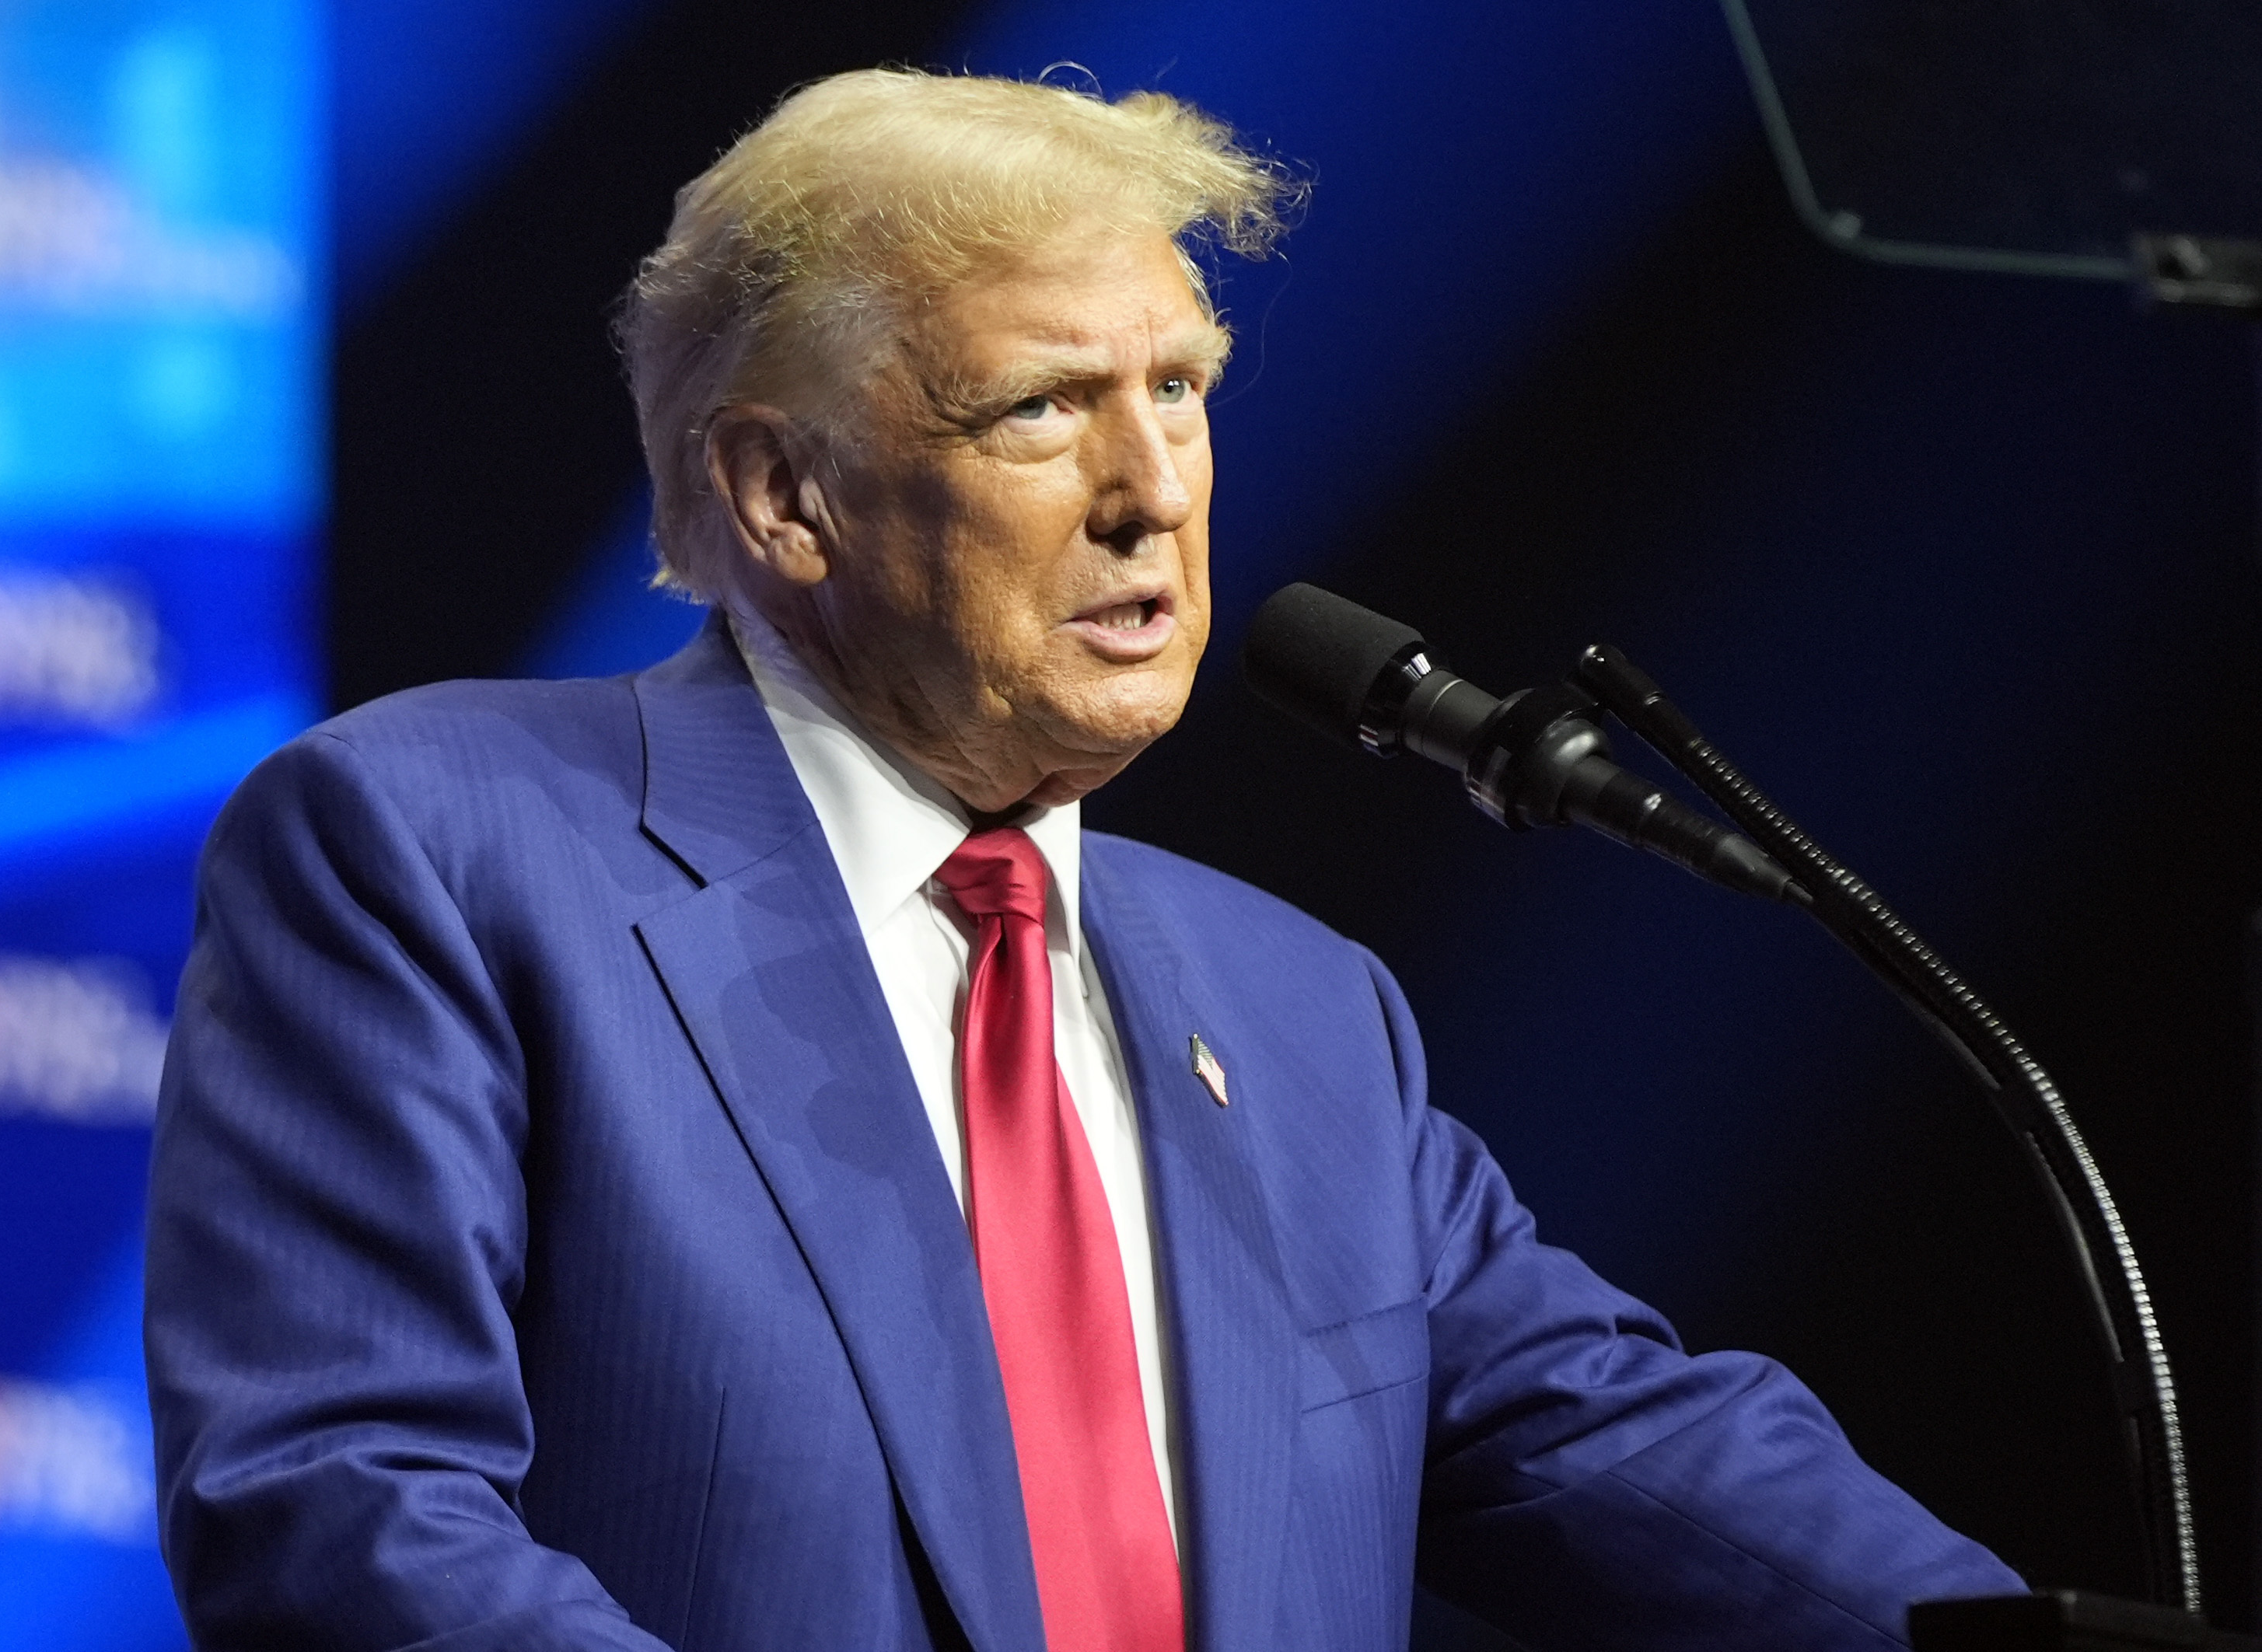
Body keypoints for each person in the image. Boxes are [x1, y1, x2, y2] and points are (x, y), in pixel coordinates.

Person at [143, 68, 2026, 1652]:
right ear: (782, 493)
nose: (1156, 488)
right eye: (1046, 405)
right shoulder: (437, 845)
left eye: (1182, 388)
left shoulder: (1302, 1010)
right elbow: (338, 1510)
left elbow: (1614, 1441)